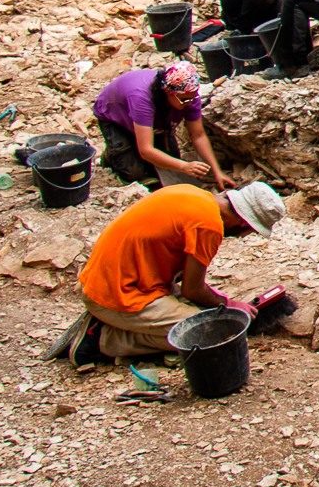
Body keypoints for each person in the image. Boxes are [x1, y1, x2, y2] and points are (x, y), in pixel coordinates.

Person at [65, 181, 285, 364]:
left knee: (202, 313)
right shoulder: (208, 225)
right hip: (117, 295)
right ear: (243, 222)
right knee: (212, 334)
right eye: (249, 231)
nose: (244, 236)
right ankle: (103, 339)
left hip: (113, 281)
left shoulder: (195, 195)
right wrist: (229, 304)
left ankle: (118, 323)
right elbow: (192, 290)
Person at [93, 63, 235, 190]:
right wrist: (184, 166)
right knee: (134, 173)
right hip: (116, 117)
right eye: (185, 99)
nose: (189, 103)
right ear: (168, 92)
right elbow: (146, 150)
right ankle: (113, 154)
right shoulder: (142, 99)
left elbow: (198, 135)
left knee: (170, 164)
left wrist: (217, 171)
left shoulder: (188, 97)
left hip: (157, 121)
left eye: (192, 98)